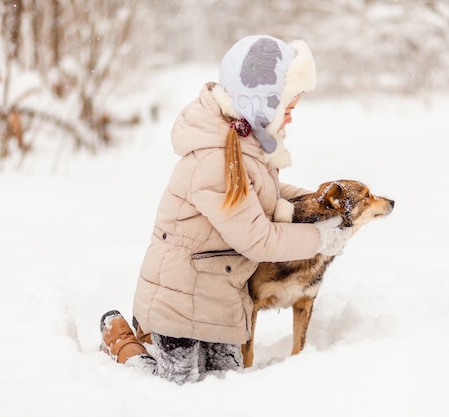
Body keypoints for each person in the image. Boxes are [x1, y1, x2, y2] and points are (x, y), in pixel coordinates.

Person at [99, 35, 352, 384]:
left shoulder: (248, 144)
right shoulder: (216, 159)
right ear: (263, 103)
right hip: (177, 296)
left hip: (221, 297)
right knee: (172, 388)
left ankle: (150, 336)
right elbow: (257, 239)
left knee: (227, 385)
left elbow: (268, 193)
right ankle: (123, 337)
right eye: (288, 110)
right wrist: (319, 238)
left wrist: (317, 205)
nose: (290, 121)